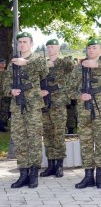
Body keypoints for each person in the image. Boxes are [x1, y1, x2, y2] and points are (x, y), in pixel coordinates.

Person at [67, 38, 101, 189]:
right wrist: (79, 95)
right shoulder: (78, 68)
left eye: (94, 48)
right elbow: (69, 89)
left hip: (100, 110)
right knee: (86, 143)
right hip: (83, 111)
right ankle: (88, 175)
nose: (91, 50)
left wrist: (96, 64)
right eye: (89, 48)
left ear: (100, 51)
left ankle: (100, 175)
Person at [3, 32, 48, 188]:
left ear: (31, 43)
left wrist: (26, 63)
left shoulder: (38, 60)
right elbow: (4, 84)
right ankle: (23, 173)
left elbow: (44, 70)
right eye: (19, 42)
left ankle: (34, 173)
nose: (22, 44)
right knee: (19, 139)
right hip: (17, 106)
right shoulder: (13, 62)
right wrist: (10, 91)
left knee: (34, 139)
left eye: (25, 42)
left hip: (33, 105)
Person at [39, 39, 74, 178]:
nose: (50, 49)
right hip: (45, 103)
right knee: (47, 135)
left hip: (58, 104)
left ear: (58, 48)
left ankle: (59, 165)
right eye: (48, 47)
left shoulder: (63, 63)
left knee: (58, 134)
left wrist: (56, 61)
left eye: (52, 47)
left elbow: (72, 65)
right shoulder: (42, 64)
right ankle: (51, 164)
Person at [0, 59, 10, 132]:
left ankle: (4, 125)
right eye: (1, 63)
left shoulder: (7, 73)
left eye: (4, 63)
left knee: (5, 110)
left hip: (6, 95)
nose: (3, 64)